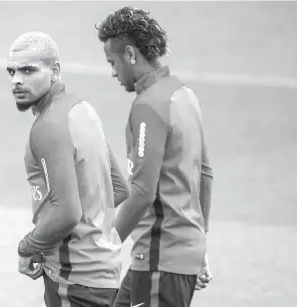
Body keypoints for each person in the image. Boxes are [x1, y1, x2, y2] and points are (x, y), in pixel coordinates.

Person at [95, 6, 214, 307]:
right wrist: (199, 246)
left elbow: (143, 192)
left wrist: (106, 247)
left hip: (159, 261)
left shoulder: (148, 105)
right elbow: (205, 174)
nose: (112, 71)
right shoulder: (184, 95)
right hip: (166, 257)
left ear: (131, 55)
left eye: (113, 61)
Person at [6, 31, 129, 307]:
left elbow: (67, 212)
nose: (16, 80)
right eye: (12, 71)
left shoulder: (48, 127)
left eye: (28, 70)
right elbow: (118, 188)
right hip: (104, 275)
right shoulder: (83, 110)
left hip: (73, 282)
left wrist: (29, 247)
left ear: (55, 71)